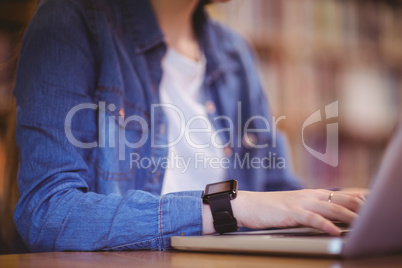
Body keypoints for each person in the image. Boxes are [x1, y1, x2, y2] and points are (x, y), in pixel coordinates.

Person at [13, 0, 364, 252]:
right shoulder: (68, 20)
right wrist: (228, 207)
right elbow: (48, 211)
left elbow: (279, 192)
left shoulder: (234, 52)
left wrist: (346, 206)